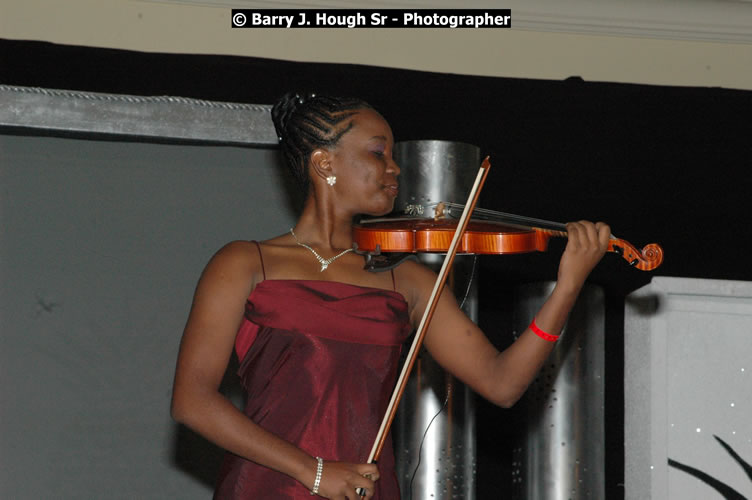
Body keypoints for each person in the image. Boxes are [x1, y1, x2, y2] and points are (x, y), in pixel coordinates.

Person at [170, 92, 610, 499]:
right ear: (324, 163)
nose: (395, 168)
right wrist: (314, 471)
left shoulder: (408, 280)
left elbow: (502, 383)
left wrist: (567, 286)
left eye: (393, 156)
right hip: (265, 487)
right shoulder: (244, 263)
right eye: (378, 153)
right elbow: (192, 400)